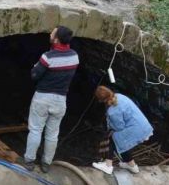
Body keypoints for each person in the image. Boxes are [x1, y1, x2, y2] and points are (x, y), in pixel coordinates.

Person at [21, 26, 79, 173]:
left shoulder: (48, 57)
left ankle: (29, 161)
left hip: (42, 97)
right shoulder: (74, 57)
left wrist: (36, 66)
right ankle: (46, 163)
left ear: (56, 39)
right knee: (53, 134)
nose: (50, 34)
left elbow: (34, 75)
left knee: (35, 130)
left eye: (52, 33)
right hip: (60, 100)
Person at [92, 86, 153, 175]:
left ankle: (108, 165)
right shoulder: (119, 96)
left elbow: (119, 127)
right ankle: (132, 166)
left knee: (113, 138)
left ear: (101, 100)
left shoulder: (112, 111)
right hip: (143, 125)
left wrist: (110, 128)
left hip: (136, 128)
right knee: (121, 141)